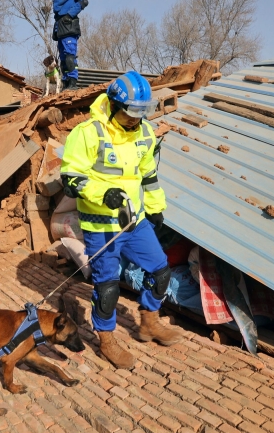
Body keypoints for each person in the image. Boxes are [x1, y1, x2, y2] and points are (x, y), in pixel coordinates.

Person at [60, 71, 182, 369]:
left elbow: (149, 175)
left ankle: (148, 323)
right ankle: (106, 340)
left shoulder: (144, 133)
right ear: (114, 105)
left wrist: (155, 206)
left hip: (134, 221)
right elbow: (70, 179)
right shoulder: (88, 133)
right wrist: (104, 193)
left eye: (142, 113)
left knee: (161, 271)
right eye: (131, 113)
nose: (136, 120)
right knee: (108, 287)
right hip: (101, 225)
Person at [44, 0, 88, 91]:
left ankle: (73, 82)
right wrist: (56, 28)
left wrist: (70, 15)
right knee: (62, 58)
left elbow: (83, 0)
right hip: (60, 25)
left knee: (70, 55)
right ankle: (66, 84)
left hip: (69, 24)